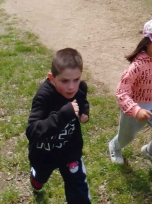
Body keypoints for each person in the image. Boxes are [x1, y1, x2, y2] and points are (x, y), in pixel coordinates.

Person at [109, 19, 152, 172]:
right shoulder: (137, 66)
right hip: (134, 111)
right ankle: (115, 146)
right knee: (126, 138)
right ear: (147, 42)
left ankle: (149, 151)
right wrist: (135, 110)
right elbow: (121, 92)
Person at [26, 48, 91, 204]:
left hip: (70, 151)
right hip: (44, 154)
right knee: (40, 177)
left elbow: (82, 101)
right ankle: (36, 177)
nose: (71, 87)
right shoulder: (44, 96)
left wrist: (84, 112)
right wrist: (63, 115)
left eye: (76, 79)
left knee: (78, 188)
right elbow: (32, 130)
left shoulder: (79, 88)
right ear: (52, 78)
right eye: (64, 81)